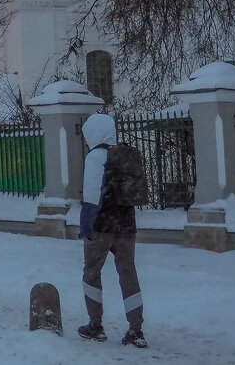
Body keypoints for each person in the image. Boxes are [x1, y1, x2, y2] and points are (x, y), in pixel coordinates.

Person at [77, 113, 147, 348]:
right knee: (128, 274)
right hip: (126, 224)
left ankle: (95, 326)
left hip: (101, 225)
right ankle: (136, 330)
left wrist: (86, 227)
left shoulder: (95, 157)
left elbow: (92, 196)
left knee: (91, 273)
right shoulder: (126, 154)